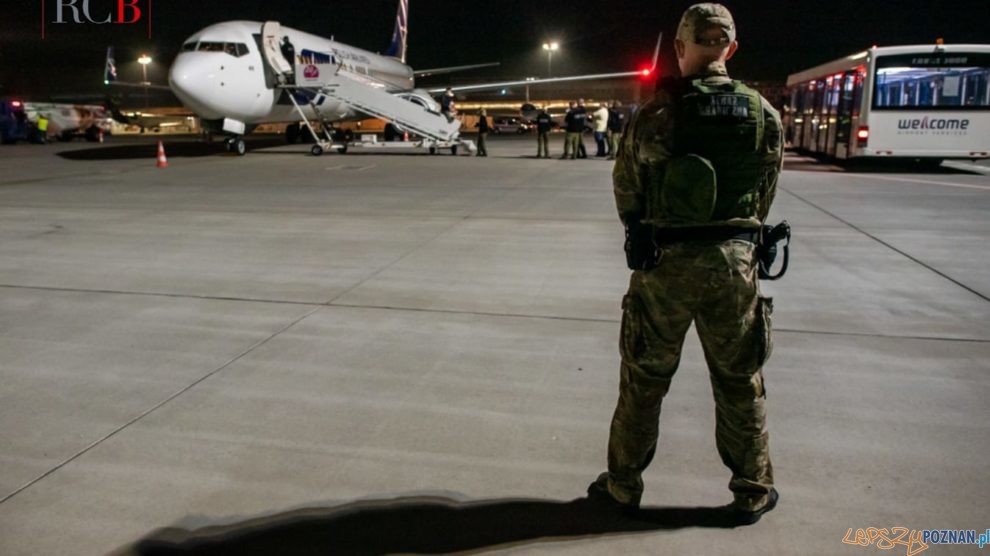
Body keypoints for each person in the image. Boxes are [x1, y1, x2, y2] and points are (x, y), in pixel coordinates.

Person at [587, 3, 783, 526]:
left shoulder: (657, 113)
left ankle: (623, 487)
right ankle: (753, 489)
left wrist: (642, 226)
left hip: (666, 265)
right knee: (740, 381)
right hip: (733, 267)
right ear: (731, 49)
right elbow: (763, 197)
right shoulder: (763, 113)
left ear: (680, 47)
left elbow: (627, 187)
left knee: (644, 380)